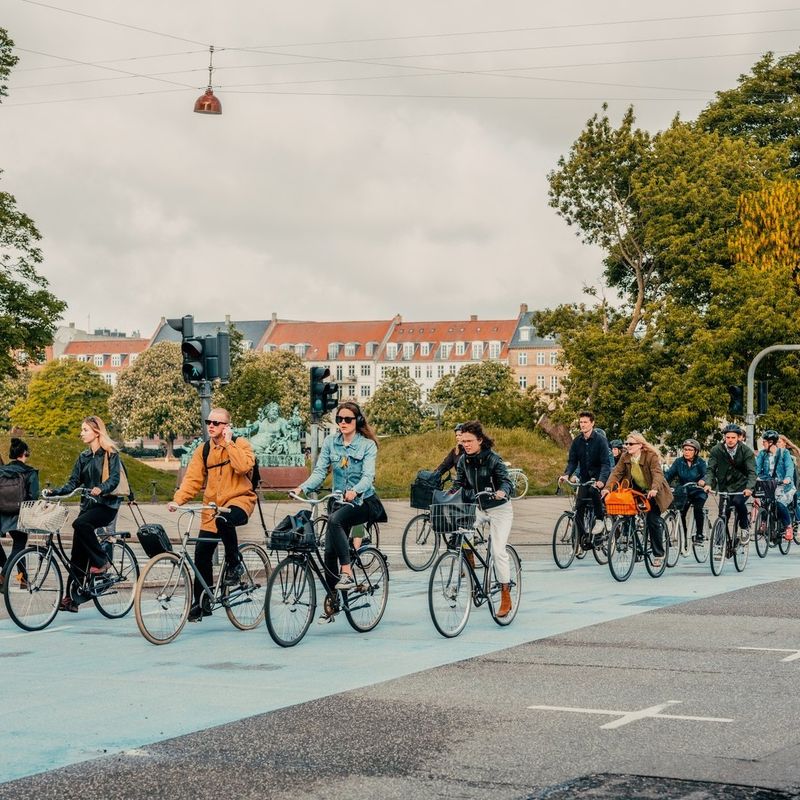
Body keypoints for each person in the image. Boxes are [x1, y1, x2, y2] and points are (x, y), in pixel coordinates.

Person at [294, 402, 387, 625]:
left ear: (358, 422)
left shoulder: (367, 446)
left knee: (335, 521)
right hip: (338, 501)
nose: (343, 423)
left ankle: (347, 572)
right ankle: (334, 601)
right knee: (328, 554)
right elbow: (319, 472)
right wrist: (302, 488)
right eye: (339, 419)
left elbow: (368, 476)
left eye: (348, 419)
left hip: (363, 501)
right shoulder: (330, 442)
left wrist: (355, 491)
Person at [169, 408, 257, 622]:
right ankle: (203, 602)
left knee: (224, 520)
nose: (211, 425)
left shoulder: (240, 443)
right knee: (201, 552)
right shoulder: (204, 449)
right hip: (212, 507)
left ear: (227, 426)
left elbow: (244, 466)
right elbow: (192, 479)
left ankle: (234, 564)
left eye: (217, 423)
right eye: (209, 421)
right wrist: (178, 500)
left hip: (239, 501)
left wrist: (228, 443)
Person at [44, 416, 123, 613]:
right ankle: (72, 598)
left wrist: (101, 488)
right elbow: (73, 483)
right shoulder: (83, 457)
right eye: (82, 429)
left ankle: (101, 561)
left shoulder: (110, 454)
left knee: (80, 524)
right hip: (88, 506)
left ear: (97, 432)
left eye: (85, 429)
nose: (81, 433)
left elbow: (114, 479)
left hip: (106, 505)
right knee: (77, 553)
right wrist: (56, 492)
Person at [451, 420, 515, 618]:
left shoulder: (493, 459)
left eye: (469, 441)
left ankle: (505, 593)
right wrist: (449, 494)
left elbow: (506, 481)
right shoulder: (463, 460)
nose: (466, 445)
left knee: (497, 551)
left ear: (480, 440)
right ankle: (469, 574)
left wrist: (502, 491)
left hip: (499, 509)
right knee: (460, 535)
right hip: (478, 507)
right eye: (463, 442)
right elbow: (459, 482)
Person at [602, 432, 673, 567]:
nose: (627, 446)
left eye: (631, 444)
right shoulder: (625, 456)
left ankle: (659, 554)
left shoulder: (650, 456)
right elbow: (616, 473)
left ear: (640, 445)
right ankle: (634, 543)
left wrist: (654, 489)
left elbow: (657, 474)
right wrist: (607, 488)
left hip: (655, 492)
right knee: (627, 512)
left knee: (652, 520)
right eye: (626, 444)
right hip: (637, 490)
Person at [560, 411, 612, 548]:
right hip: (584, 478)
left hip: (599, 477)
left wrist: (601, 480)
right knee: (578, 509)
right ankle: (584, 540)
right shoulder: (577, 441)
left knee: (594, 491)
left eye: (585, 422)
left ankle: (600, 519)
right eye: (581, 422)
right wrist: (567, 475)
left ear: (592, 423)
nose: (582, 425)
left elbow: (606, 463)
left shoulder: (601, 440)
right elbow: (572, 462)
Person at [701, 423, 757, 543]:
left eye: (733, 437)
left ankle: (744, 527)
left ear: (739, 438)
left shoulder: (746, 451)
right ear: (724, 438)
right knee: (723, 514)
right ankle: (720, 543)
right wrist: (708, 483)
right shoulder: (717, 450)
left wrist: (749, 488)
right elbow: (710, 469)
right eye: (728, 437)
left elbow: (752, 472)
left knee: (738, 502)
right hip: (724, 486)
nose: (730, 440)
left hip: (741, 486)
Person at [0, 438, 39, 588]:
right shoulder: (30, 472)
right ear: (24, 453)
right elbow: (33, 497)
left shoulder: (1, 471)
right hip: (20, 515)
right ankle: (4, 574)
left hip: (1, 515)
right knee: (19, 546)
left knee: (18, 549)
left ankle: (21, 579)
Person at [664, 439, 708, 545]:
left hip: (698, 491)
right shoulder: (678, 462)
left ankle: (699, 534)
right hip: (684, 490)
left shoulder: (700, 462)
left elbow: (706, 474)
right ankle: (683, 536)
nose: (687, 452)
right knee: (681, 512)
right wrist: (663, 483)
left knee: (698, 508)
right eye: (685, 449)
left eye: (690, 450)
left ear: (696, 452)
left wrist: (703, 481)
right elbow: (669, 474)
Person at [755, 429, 795, 541]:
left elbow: (789, 467)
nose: (763, 443)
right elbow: (757, 468)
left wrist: (787, 478)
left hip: (783, 484)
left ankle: (788, 527)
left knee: (780, 503)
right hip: (768, 483)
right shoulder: (762, 454)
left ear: (771, 442)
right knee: (763, 502)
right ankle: (764, 522)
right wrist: (755, 477)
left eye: (764, 441)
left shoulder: (784, 453)